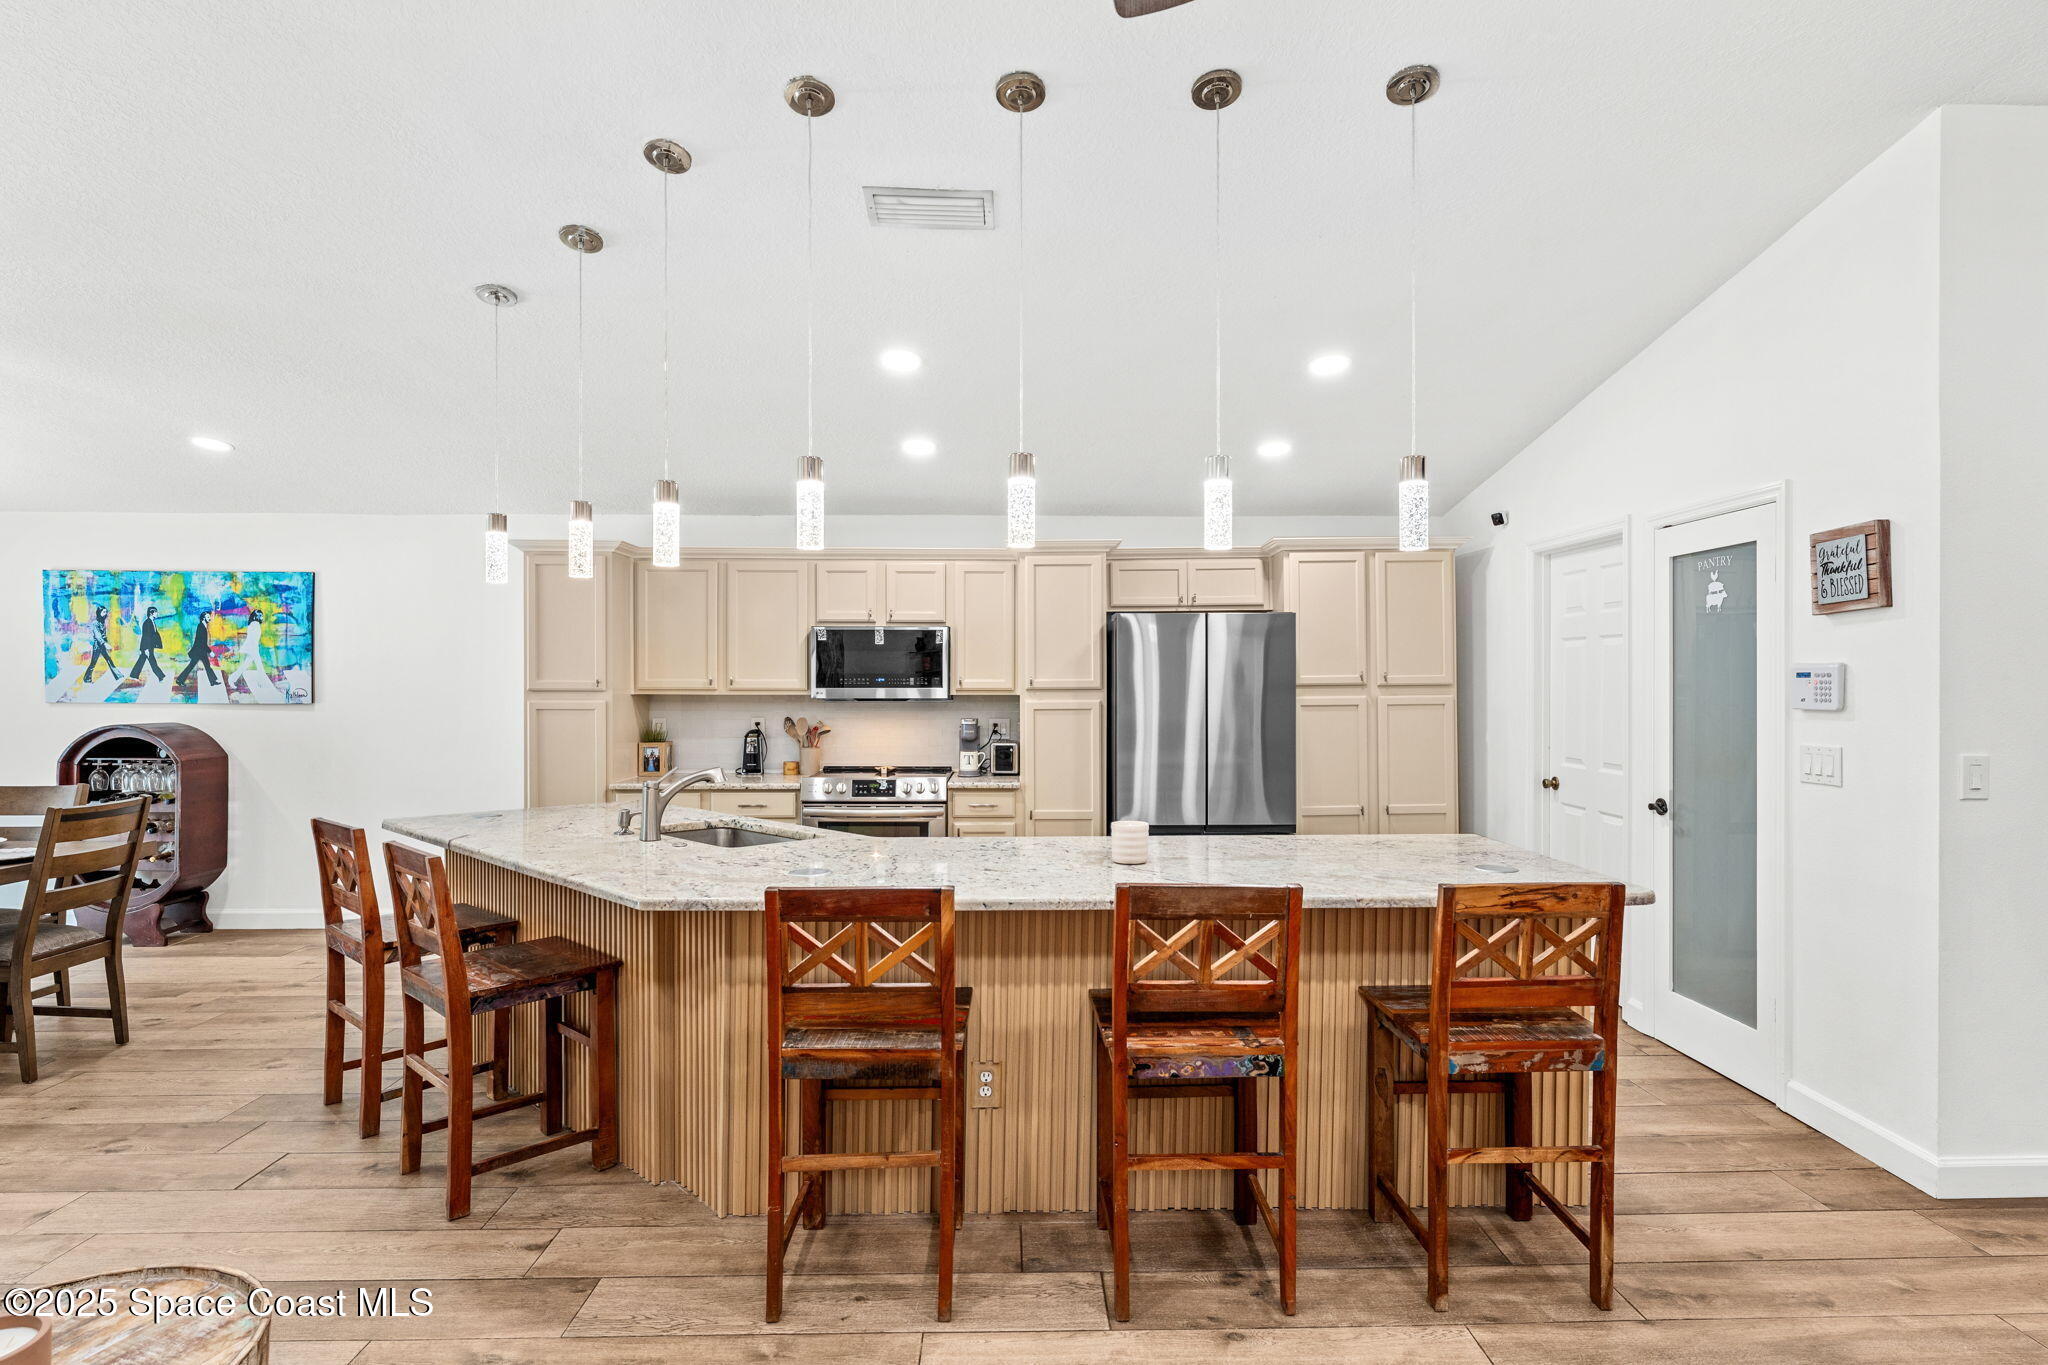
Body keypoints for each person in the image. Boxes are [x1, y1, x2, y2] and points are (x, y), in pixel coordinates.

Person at [175, 609, 218, 690]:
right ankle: (179, 680)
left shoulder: (203, 626)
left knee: (207, 666)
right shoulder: (201, 627)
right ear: (203, 618)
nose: (209, 618)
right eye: (207, 617)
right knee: (191, 666)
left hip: (201, 651)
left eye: (209, 617)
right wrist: (210, 651)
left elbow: (202, 643)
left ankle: (213, 681)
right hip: (199, 651)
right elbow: (201, 642)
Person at [230, 609, 268, 693]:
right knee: (259, 666)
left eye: (262, 615)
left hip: (253, 648)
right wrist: (254, 649)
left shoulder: (253, 624)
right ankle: (262, 683)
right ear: (255, 617)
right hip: (253, 649)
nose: (262, 617)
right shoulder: (255, 624)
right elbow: (252, 639)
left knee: (245, 666)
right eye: (260, 616)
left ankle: (232, 678)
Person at [127, 604, 165, 682]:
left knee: (141, 660)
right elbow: (146, 637)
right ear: (151, 613)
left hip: (149, 646)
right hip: (147, 646)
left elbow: (154, 635)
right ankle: (160, 676)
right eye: (156, 612)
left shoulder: (152, 622)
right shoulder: (147, 623)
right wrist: (146, 649)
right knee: (152, 662)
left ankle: (134, 675)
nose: (157, 614)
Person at [82, 603, 117, 683]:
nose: (106, 614)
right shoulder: (95, 623)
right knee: (93, 663)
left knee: (109, 659)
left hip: (102, 645)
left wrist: (106, 643)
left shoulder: (102, 622)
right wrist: (105, 644)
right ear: (99, 613)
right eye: (104, 612)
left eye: (106, 612)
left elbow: (103, 635)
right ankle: (87, 678)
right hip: (98, 646)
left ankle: (118, 676)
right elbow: (98, 636)